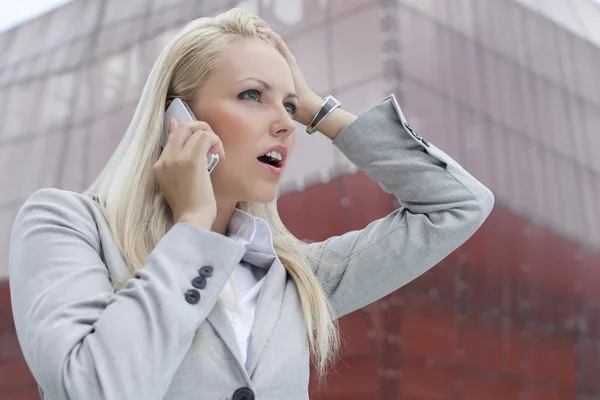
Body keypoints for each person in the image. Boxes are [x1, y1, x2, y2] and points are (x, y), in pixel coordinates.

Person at [8, 7, 494, 400]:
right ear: (177, 117)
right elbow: (90, 388)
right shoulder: (67, 226)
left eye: (287, 106)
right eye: (252, 95)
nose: (285, 124)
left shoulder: (295, 276)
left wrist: (316, 108)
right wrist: (193, 229)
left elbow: (458, 204)